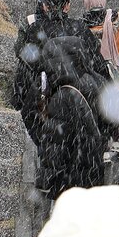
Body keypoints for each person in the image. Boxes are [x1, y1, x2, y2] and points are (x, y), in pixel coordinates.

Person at [35, 41, 109, 201]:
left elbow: (55, 147)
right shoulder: (97, 81)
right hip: (94, 168)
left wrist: (44, 181)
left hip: (70, 178)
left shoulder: (61, 98)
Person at [11, 0, 75, 136]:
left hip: (35, 77)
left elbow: (20, 49)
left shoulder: (32, 23)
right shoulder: (68, 26)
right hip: (55, 76)